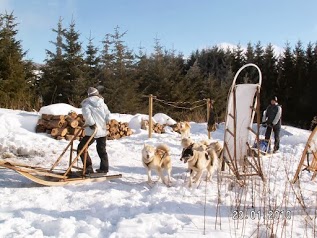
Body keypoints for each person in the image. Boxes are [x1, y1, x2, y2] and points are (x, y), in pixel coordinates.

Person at [77, 87, 110, 174]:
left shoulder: (86, 103)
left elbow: (87, 115)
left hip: (92, 130)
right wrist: (106, 122)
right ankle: (104, 168)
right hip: (102, 130)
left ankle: (88, 167)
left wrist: (92, 124)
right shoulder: (102, 103)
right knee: (102, 149)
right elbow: (108, 115)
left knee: (81, 148)